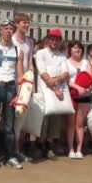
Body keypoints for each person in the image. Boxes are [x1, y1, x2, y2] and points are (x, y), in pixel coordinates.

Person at [0, 20, 25, 169]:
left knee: (9, 125)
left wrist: (18, 94)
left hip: (10, 89)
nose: (8, 31)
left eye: (10, 29)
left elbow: (20, 75)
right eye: (6, 28)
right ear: (0, 30)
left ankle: (10, 156)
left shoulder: (17, 51)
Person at [34, 29, 69, 159]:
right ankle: (39, 144)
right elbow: (43, 73)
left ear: (60, 41)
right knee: (43, 119)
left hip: (58, 92)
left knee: (55, 120)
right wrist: (55, 87)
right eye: (52, 39)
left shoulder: (62, 56)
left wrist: (55, 80)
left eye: (57, 39)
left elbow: (66, 73)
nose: (54, 41)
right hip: (45, 91)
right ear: (48, 39)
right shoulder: (40, 53)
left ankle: (49, 145)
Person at [12, 13, 34, 162]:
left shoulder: (29, 42)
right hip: (13, 80)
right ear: (17, 24)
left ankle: (19, 149)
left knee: (23, 117)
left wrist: (33, 84)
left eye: (27, 23)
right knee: (14, 117)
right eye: (23, 23)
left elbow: (30, 62)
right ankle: (13, 150)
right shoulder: (12, 40)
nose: (26, 25)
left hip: (27, 83)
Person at [66, 40, 92, 160]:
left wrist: (88, 88)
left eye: (79, 48)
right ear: (70, 50)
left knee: (80, 124)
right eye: (74, 47)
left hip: (84, 95)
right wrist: (77, 87)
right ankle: (71, 149)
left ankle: (79, 149)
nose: (77, 49)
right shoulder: (66, 62)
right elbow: (66, 79)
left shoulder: (85, 62)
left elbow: (90, 77)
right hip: (71, 94)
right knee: (71, 123)